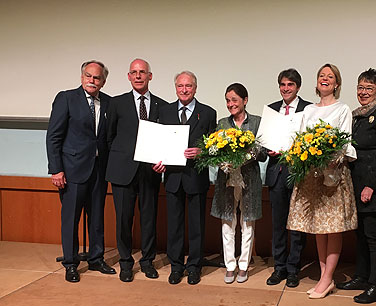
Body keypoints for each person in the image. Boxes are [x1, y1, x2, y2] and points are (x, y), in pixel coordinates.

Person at [287, 63, 357, 299]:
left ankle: (327, 278)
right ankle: (325, 277)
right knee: (318, 226)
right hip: (310, 175)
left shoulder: (343, 109)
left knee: (333, 227)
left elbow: (345, 142)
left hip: (333, 175)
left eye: (330, 76)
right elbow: (301, 139)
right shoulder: (308, 111)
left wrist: (330, 160)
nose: (325, 79)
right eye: (321, 75)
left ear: (336, 83)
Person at [46, 60, 115, 283]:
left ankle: (96, 258)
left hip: (99, 170)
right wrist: (56, 169)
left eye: (96, 78)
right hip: (72, 170)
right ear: (81, 77)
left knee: (96, 218)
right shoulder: (66, 98)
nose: (92, 81)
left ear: (103, 81)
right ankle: (71, 263)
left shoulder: (108, 102)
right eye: (88, 76)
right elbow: (53, 136)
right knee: (71, 219)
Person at [106, 58, 167, 282]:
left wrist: (163, 160)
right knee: (123, 219)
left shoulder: (163, 105)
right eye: (134, 72)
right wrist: (122, 157)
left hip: (149, 172)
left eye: (143, 72)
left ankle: (147, 262)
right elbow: (108, 137)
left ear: (150, 76)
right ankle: (125, 263)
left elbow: (165, 140)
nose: (138, 76)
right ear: (129, 76)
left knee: (149, 219)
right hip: (122, 172)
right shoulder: (116, 103)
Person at [152, 71, 217, 285]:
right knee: (175, 225)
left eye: (188, 86)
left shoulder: (207, 113)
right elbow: (159, 143)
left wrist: (202, 152)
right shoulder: (165, 111)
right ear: (175, 88)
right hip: (172, 178)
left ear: (195, 88)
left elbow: (214, 147)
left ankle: (195, 267)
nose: (184, 90)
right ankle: (176, 266)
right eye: (180, 86)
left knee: (197, 225)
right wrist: (159, 160)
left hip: (196, 177)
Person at [336, 68, 376, 304]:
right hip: (355, 184)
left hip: (374, 187)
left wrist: (371, 185)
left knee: (374, 236)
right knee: (360, 235)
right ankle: (362, 276)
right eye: (360, 87)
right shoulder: (356, 116)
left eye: (368, 88)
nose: (363, 92)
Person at [211, 83, 266, 284]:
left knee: (247, 222)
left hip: (249, 179)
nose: (230, 104)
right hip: (226, 179)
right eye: (227, 100)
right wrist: (222, 159)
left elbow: (263, 154)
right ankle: (229, 265)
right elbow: (214, 150)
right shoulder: (222, 123)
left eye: (234, 100)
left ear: (245, 100)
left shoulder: (257, 122)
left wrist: (250, 152)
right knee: (227, 221)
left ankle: (243, 265)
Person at [266, 68, 311, 288]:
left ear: (298, 87)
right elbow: (264, 141)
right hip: (276, 174)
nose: (286, 89)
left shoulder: (308, 109)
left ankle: (293, 269)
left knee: (296, 227)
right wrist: (269, 149)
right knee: (277, 226)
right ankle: (279, 268)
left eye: (290, 85)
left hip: (297, 175)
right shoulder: (272, 110)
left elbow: (312, 141)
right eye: (283, 85)